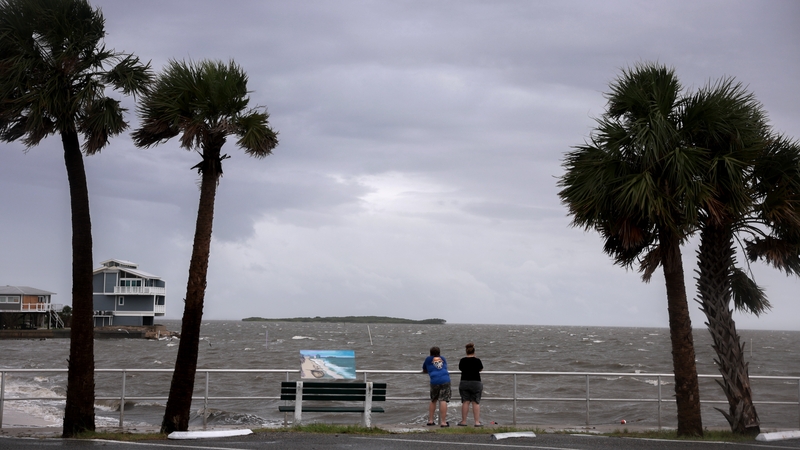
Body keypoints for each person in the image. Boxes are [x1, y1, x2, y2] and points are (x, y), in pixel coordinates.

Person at [422, 346, 451, 427]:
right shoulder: (443, 358)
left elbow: (424, 369)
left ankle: (430, 420)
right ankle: (443, 422)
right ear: (439, 353)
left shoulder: (428, 359)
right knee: (443, 400)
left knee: (433, 400)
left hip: (434, 381)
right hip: (445, 379)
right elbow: (445, 367)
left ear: (430, 353)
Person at [458, 342, 483, 427]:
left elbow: (460, 368)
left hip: (464, 381)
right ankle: (477, 422)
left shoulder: (462, 360)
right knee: (475, 402)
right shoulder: (477, 360)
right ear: (474, 352)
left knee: (465, 401)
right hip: (476, 382)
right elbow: (481, 369)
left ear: (466, 351)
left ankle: (464, 421)